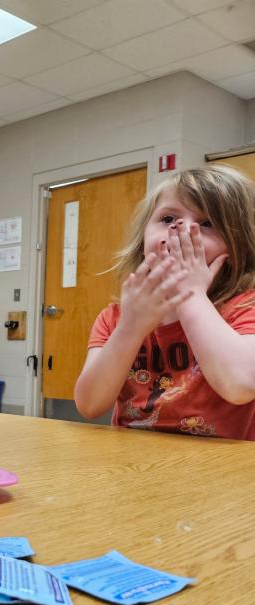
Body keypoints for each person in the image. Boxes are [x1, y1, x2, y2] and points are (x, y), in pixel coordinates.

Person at [75, 164, 255, 439]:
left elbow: (240, 386)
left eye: (207, 224)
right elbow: (89, 405)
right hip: (135, 461)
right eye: (168, 218)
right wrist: (130, 327)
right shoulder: (115, 317)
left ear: (238, 244)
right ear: (143, 237)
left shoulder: (245, 306)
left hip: (220, 468)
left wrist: (192, 294)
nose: (182, 229)